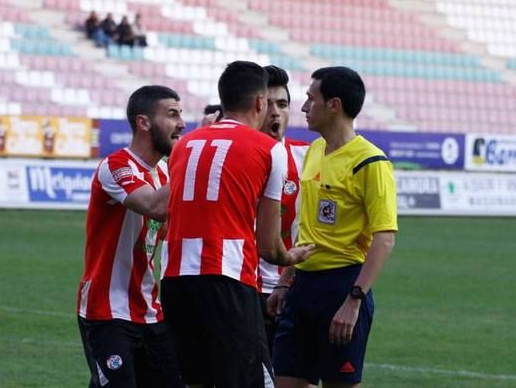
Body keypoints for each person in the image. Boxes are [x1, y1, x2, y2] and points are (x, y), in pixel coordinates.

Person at [161, 61, 314, 388]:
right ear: (260, 102)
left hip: (175, 279)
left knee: (197, 381)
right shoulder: (270, 150)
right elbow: (270, 248)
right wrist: (291, 258)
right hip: (227, 277)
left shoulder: (184, 145)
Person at [269, 66, 398, 388]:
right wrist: (286, 280)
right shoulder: (313, 151)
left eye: (311, 99)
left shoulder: (371, 162)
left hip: (342, 286)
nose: (302, 107)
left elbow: (384, 238)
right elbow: (308, 226)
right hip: (302, 287)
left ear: (334, 105)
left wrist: (354, 300)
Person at [77, 85, 186, 388]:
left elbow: (165, 231)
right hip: (106, 312)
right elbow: (154, 206)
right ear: (144, 122)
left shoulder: (164, 173)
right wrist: (192, 158)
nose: (182, 124)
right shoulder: (116, 166)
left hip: (150, 311)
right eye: (172, 114)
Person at [256, 65, 309, 353]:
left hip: (294, 288)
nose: (276, 112)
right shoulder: (233, 158)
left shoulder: (309, 156)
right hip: (244, 290)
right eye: (268, 104)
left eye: (283, 104)